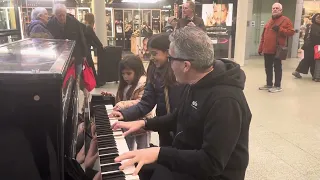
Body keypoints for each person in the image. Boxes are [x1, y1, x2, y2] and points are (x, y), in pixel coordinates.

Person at [111, 26, 252, 180]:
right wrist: (143, 124)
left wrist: (159, 153)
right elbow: (177, 117)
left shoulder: (226, 101)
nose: (169, 65)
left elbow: (212, 162)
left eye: (170, 59)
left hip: (210, 173)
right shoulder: (195, 82)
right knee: (126, 167)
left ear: (186, 65)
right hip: (188, 160)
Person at [110, 33, 185, 147]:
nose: (152, 58)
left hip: (181, 128)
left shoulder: (180, 73)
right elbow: (146, 103)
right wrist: (124, 114)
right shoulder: (153, 72)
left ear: (168, 52)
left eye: (155, 54)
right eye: (150, 54)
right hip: (163, 126)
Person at [102, 55, 154, 150]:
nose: (125, 76)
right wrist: (112, 98)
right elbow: (123, 100)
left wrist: (123, 104)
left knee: (142, 148)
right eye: (123, 74)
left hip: (141, 122)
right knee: (126, 147)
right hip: (126, 121)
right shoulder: (125, 85)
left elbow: (142, 102)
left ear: (137, 71)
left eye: (129, 73)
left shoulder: (143, 84)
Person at [258, 3, 295, 93]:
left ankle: (277, 86)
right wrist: (260, 47)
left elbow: (291, 32)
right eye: (273, 8)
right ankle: (269, 84)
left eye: (277, 8)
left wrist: (280, 29)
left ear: (281, 10)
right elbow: (264, 35)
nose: (275, 9)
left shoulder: (286, 20)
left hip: (277, 49)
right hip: (267, 49)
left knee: (277, 68)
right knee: (268, 67)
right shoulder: (269, 21)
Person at [47, 4, 87, 76]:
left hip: (76, 54)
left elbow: (81, 38)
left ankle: (77, 86)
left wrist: (84, 54)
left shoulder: (74, 22)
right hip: (60, 57)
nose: (62, 17)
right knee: (65, 77)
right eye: (59, 15)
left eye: (63, 15)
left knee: (78, 75)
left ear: (66, 13)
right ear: (55, 15)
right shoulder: (50, 24)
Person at [293, 13, 320, 80]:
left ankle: (314, 75)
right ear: (314, 18)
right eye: (318, 18)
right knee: (310, 60)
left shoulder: (310, 26)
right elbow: (316, 36)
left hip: (309, 45)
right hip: (313, 46)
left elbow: (306, 36)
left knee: (309, 59)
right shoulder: (315, 27)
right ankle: (314, 75)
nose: (319, 20)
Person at [83, 13, 103, 86]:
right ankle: (96, 82)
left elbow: (89, 39)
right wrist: (100, 46)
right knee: (91, 66)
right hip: (86, 50)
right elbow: (94, 38)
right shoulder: (88, 27)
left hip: (83, 49)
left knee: (87, 66)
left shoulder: (84, 26)